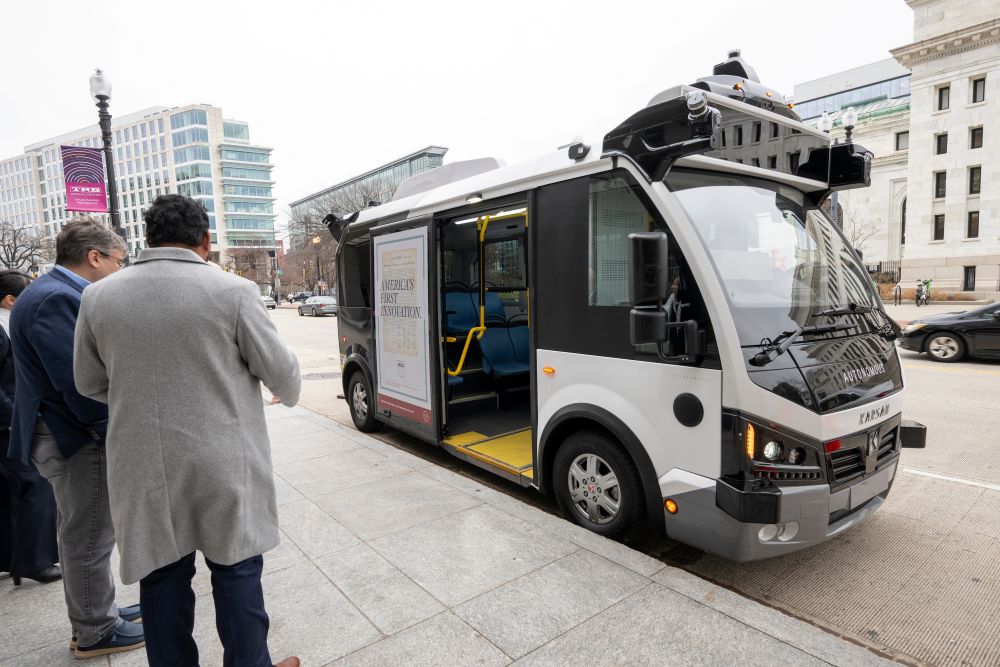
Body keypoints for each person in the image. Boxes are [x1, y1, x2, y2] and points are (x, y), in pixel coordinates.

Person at [74, 195, 302, 667]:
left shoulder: (98, 296)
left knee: (161, 577)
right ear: (205, 239)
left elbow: (89, 383)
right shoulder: (232, 291)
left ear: (147, 237)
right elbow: (284, 377)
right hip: (224, 458)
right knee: (236, 570)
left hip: (141, 462)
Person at [8, 218, 143, 658]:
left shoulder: (49, 292)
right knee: (88, 535)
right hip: (74, 437)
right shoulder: (58, 298)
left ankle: (99, 611)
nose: (120, 270)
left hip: (66, 431)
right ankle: (95, 630)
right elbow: (80, 384)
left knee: (87, 530)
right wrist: (111, 431)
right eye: (118, 261)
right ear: (94, 257)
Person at [0, 270, 60, 586]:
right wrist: (13, 416)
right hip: (7, 424)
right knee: (35, 486)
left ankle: (13, 559)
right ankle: (36, 561)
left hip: (8, 421)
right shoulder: (1, 328)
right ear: (10, 300)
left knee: (13, 492)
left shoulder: (7, 325)